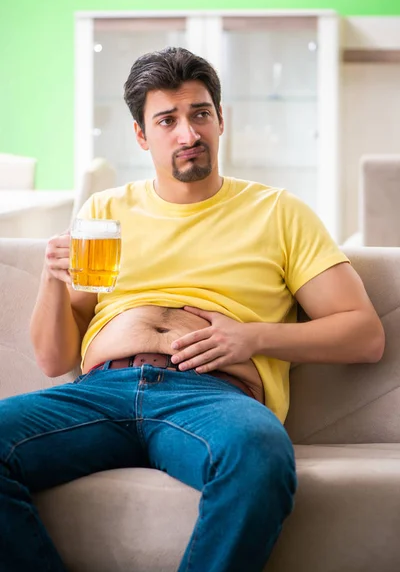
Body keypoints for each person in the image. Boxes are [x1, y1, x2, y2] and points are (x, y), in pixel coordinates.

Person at [0, 47, 385, 572]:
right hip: (101, 391)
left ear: (221, 120)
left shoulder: (279, 212)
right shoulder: (104, 212)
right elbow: (52, 359)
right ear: (141, 134)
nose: (188, 133)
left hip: (211, 396)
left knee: (259, 457)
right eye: (167, 120)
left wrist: (253, 338)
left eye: (200, 114)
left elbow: (364, 334)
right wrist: (51, 276)